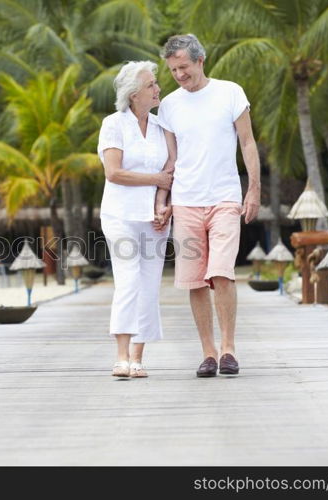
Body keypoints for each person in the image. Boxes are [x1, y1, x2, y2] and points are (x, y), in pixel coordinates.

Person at [155, 34, 261, 377]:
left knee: (221, 273)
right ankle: (209, 353)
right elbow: (171, 161)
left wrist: (254, 189)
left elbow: (247, 142)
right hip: (185, 203)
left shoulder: (230, 92)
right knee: (194, 281)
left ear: (201, 60)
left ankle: (229, 349)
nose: (179, 74)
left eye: (183, 66)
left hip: (225, 199)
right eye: (173, 70)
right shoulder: (168, 105)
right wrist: (164, 200)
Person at [98, 61, 174, 378]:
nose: (158, 89)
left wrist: (162, 207)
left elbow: (170, 172)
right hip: (120, 216)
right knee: (128, 281)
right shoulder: (113, 124)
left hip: (154, 220)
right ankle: (121, 356)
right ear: (133, 94)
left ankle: (138, 357)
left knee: (149, 285)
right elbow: (114, 173)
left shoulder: (161, 127)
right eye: (151, 85)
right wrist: (155, 179)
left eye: (156, 83)